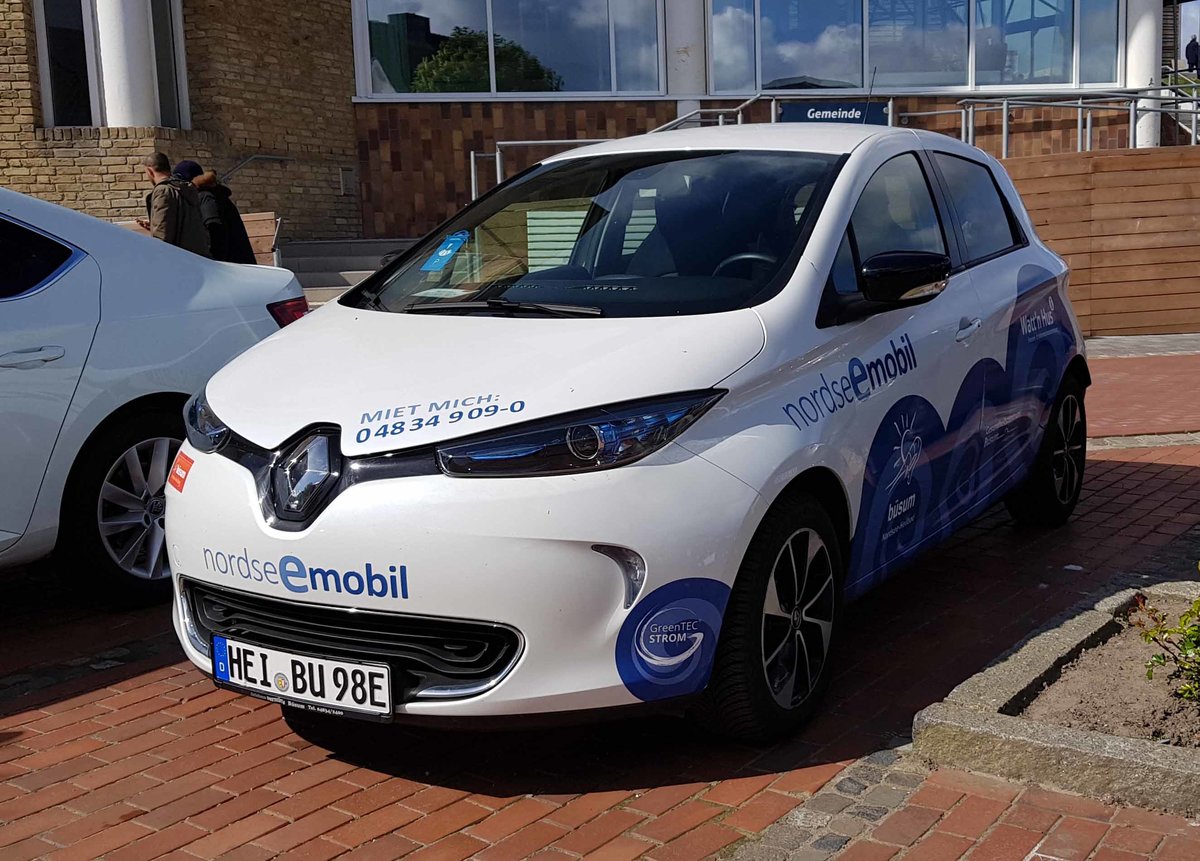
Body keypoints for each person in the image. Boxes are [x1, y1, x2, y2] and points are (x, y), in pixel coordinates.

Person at [173, 160, 256, 264]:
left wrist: (214, 263)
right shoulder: (215, 196)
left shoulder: (206, 198)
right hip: (236, 263)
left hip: (230, 265)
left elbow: (215, 230)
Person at [137, 152, 210, 257]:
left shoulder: (163, 191)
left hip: (179, 259)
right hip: (195, 256)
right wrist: (153, 226)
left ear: (150, 171)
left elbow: (162, 236)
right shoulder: (184, 188)